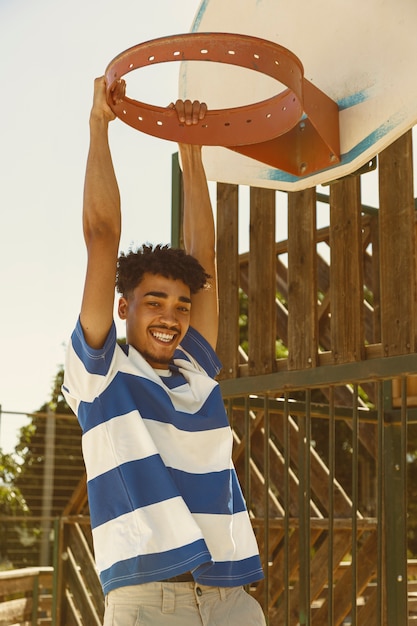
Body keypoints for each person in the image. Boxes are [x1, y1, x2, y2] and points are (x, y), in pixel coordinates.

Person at [62, 76, 266, 625]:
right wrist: (100, 124)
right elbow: (102, 235)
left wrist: (191, 153)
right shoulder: (101, 375)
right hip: (147, 602)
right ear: (124, 307)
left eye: (181, 305)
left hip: (229, 598)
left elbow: (207, 260)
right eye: (155, 302)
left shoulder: (194, 371)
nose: (172, 316)